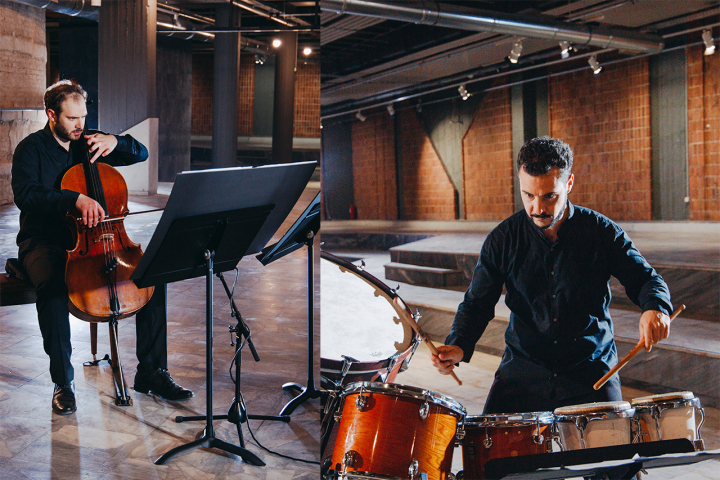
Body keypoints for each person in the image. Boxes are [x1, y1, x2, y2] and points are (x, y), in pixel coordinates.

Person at [432, 136, 672, 414]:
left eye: (549, 196)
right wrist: (458, 345)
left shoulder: (602, 232)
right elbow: (477, 303)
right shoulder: (503, 239)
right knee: (491, 455)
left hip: (591, 370)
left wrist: (656, 308)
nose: (537, 208)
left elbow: (646, 279)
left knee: (614, 456)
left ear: (569, 184)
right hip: (524, 371)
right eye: (528, 195)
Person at [12, 80, 193, 415]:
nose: (80, 124)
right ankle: (63, 383)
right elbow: (26, 195)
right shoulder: (31, 149)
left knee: (153, 274)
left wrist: (117, 141)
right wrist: (74, 198)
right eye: (71, 118)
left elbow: (142, 152)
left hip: (101, 240)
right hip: (46, 241)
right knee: (52, 289)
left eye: (83, 116)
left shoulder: (91, 141)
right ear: (52, 115)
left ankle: (151, 371)